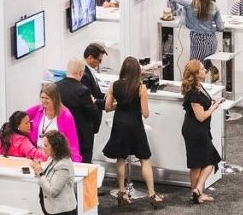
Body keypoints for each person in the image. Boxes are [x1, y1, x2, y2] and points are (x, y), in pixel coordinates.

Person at [103, 57, 164, 208]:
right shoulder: (140, 87)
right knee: (144, 159)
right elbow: (145, 113)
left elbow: (108, 107)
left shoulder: (114, 85)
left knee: (121, 158)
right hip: (135, 125)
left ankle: (122, 192)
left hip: (120, 125)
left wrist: (120, 105)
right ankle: (152, 194)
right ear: (137, 70)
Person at [160, 0, 224, 78]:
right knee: (203, 68)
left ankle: (195, 90)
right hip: (212, 42)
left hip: (198, 43)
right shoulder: (214, 6)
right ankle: (209, 80)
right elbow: (221, 27)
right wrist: (210, 29)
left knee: (193, 72)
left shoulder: (191, 4)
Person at [180, 60, 223, 204]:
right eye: (202, 70)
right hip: (195, 131)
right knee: (210, 159)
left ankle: (197, 193)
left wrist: (212, 102)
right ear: (196, 75)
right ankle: (198, 189)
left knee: (197, 163)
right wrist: (213, 108)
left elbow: (203, 104)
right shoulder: (194, 94)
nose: (205, 71)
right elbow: (201, 116)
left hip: (198, 130)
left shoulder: (199, 87)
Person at [57, 58, 102, 164]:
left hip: (60, 132)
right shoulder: (83, 91)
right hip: (81, 136)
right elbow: (94, 112)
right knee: (83, 165)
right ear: (81, 72)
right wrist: (93, 102)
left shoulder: (55, 87)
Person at [25, 83, 82, 162]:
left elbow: (73, 143)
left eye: (47, 98)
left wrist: (76, 162)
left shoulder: (66, 116)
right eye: (42, 97)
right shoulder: (37, 110)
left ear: (54, 98)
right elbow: (18, 119)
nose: (44, 101)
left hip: (56, 159)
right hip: (36, 156)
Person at [29, 130, 77, 215]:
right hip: (51, 208)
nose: (43, 148)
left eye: (46, 145)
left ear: (55, 147)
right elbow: (48, 178)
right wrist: (38, 170)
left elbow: (53, 192)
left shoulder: (63, 165)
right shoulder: (52, 157)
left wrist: (40, 173)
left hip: (61, 211)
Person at [81, 43, 107, 109]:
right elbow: (90, 100)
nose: (100, 63)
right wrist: (109, 102)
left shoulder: (90, 71)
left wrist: (107, 96)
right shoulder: (84, 75)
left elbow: (96, 92)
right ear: (90, 58)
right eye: (99, 60)